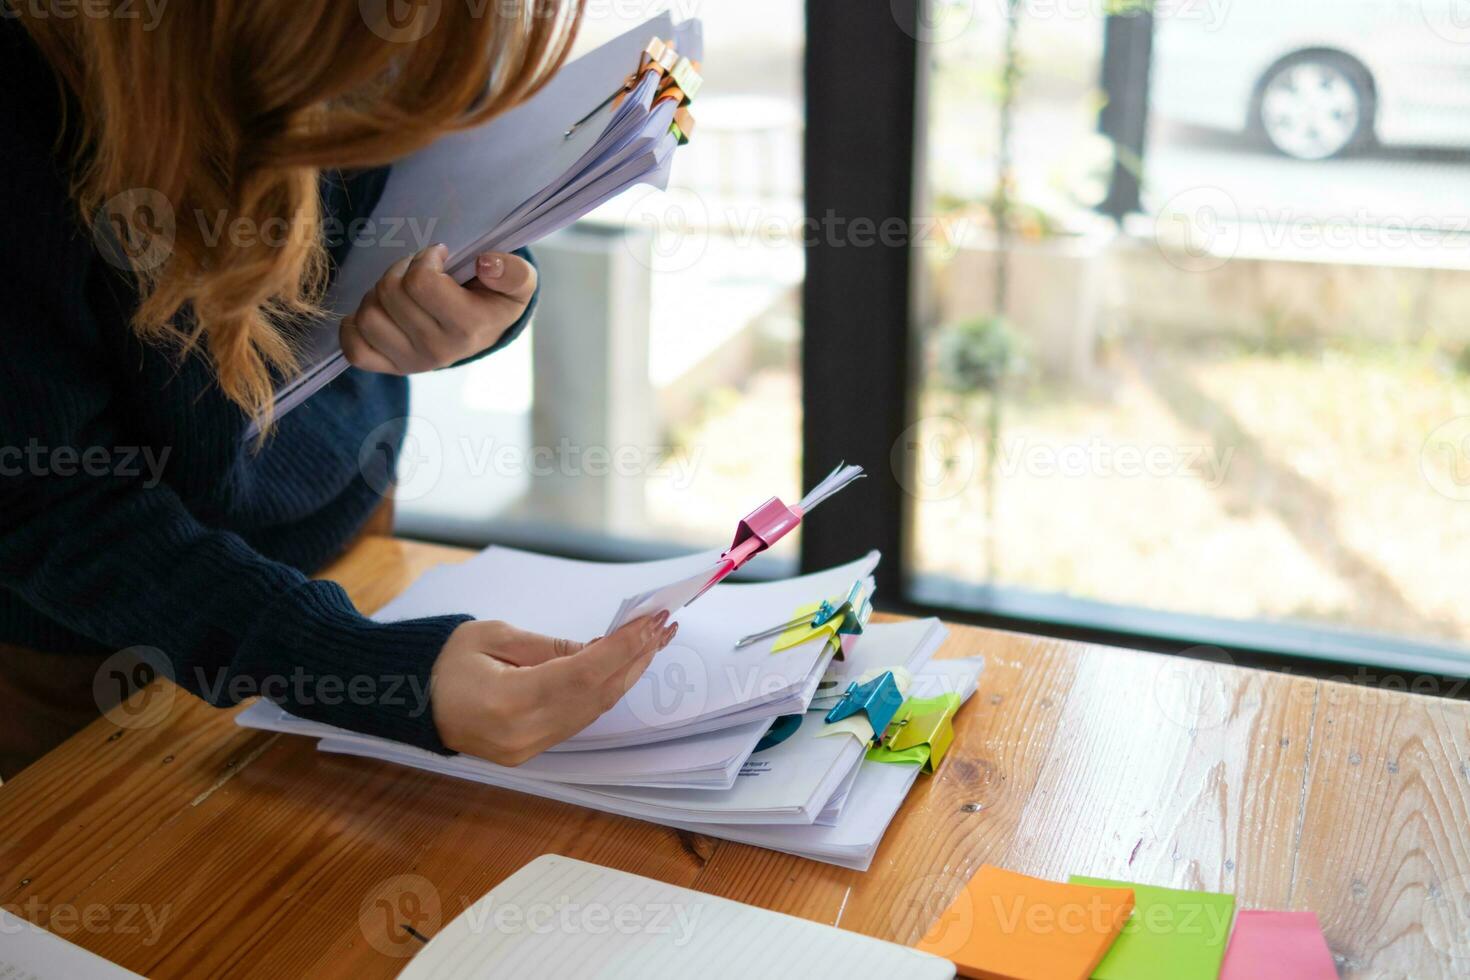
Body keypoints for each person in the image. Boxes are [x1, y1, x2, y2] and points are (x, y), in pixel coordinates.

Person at [0, 0, 676, 781]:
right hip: (98, 631)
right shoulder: (25, 88)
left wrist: (482, 304)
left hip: (347, 542)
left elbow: (422, 190)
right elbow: (38, 497)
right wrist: (360, 668)